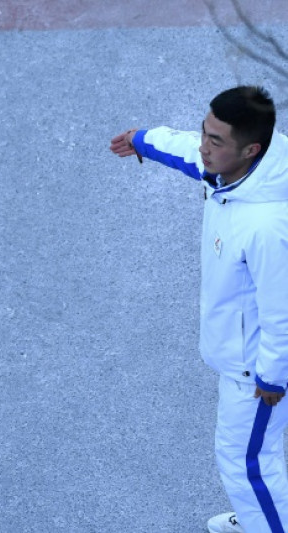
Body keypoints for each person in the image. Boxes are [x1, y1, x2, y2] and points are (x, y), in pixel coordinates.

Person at [109, 86, 288, 533]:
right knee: (253, 458)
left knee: (246, 463)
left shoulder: (267, 227)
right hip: (249, 361)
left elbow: (282, 312)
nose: (204, 147)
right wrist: (142, 139)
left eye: (215, 141)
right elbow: (188, 152)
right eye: (204, 132)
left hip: (255, 371)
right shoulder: (242, 170)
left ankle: (265, 522)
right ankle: (262, 515)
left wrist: (271, 377)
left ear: (251, 149)